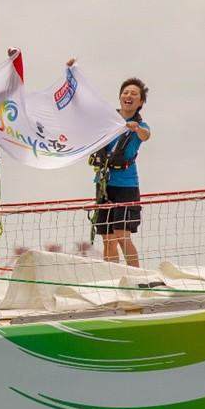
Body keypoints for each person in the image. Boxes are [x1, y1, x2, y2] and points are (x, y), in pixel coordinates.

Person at [89, 74, 151, 267]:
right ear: (120, 97)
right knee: (108, 239)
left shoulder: (140, 126)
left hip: (126, 186)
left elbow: (146, 135)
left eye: (134, 94)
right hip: (104, 184)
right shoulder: (107, 121)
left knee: (121, 234)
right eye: (125, 92)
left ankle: (137, 275)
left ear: (140, 102)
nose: (128, 96)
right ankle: (112, 277)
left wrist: (135, 128)